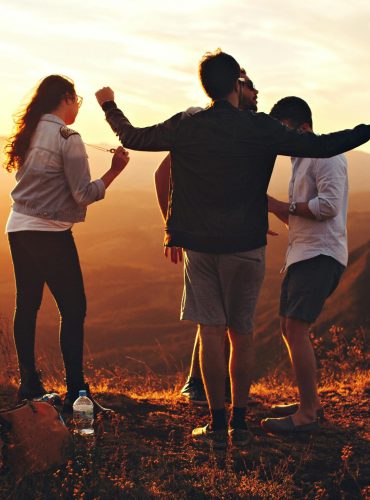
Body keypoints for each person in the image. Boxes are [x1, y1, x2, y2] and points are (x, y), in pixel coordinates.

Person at [95, 49, 370, 448]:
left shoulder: (187, 125)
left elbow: (134, 137)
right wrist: (366, 128)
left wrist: (109, 105)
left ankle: (217, 425)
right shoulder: (259, 127)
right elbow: (325, 146)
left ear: (207, 85)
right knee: (242, 334)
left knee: (211, 334)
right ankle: (240, 424)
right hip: (247, 244)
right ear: (236, 86)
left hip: (201, 246)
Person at [4, 74, 129, 414]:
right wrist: (115, 170)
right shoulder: (67, 137)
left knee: (27, 304)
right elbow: (83, 193)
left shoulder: (30, 132)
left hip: (18, 226)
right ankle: (77, 393)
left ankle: (29, 385)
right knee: (73, 309)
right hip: (50, 232)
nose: (77, 108)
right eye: (77, 101)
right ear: (66, 98)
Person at [154, 68, 259, 406]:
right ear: (235, 88)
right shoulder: (200, 124)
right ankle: (198, 385)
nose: (257, 94)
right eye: (250, 86)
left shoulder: (241, 129)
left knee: (219, 316)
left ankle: (210, 388)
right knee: (213, 318)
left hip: (227, 233)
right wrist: (172, 227)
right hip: (202, 235)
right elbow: (162, 173)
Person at [261, 97, 348, 433]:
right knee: (288, 328)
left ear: (301, 126)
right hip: (303, 253)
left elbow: (327, 207)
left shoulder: (325, 155)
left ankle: (308, 414)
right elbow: (300, 215)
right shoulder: (300, 160)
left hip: (320, 256)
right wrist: (271, 208)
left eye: (281, 129)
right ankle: (308, 401)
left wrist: (284, 205)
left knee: (296, 329)